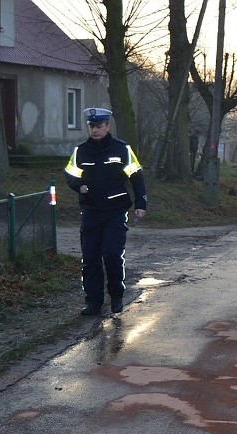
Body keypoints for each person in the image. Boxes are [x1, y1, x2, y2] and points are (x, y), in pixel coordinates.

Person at [64, 108, 147, 316]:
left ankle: (116, 296)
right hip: (91, 211)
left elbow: (137, 177)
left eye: (99, 126)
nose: (95, 130)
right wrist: (78, 185)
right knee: (90, 257)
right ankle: (93, 301)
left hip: (115, 211)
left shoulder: (122, 150)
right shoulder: (81, 151)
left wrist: (140, 204)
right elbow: (70, 174)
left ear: (107, 126)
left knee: (111, 254)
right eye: (91, 126)